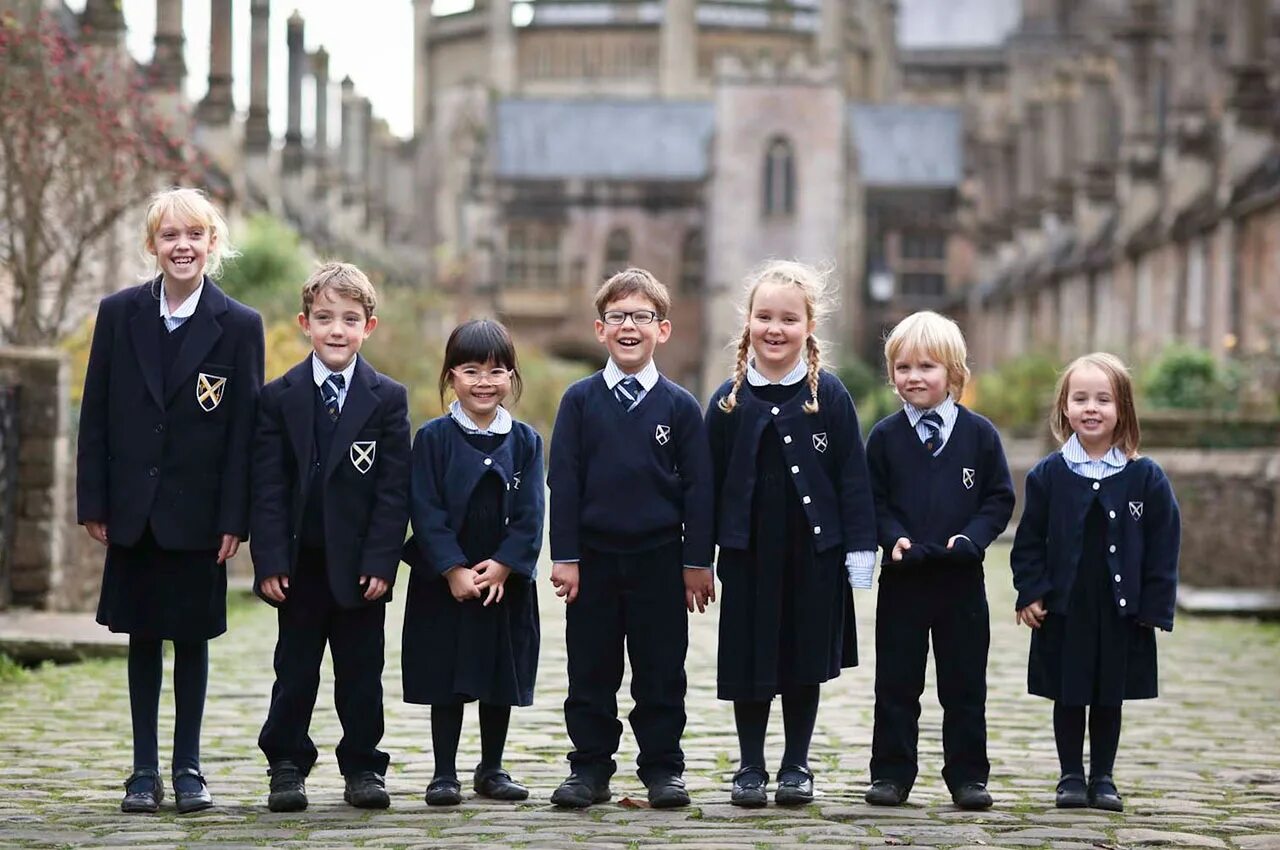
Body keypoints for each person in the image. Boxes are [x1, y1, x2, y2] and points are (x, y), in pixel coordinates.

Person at [77, 187, 265, 813]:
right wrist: (94, 501)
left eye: (194, 235)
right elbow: (96, 414)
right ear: (152, 245)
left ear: (213, 244)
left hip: (200, 515)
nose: (182, 246)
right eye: (169, 235)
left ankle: (188, 769)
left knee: (191, 640)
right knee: (142, 638)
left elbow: (244, 432)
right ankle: (142, 771)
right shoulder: (118, 313)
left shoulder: (240, 326)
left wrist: (235, 516)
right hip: (135, 509)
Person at [705, 260, 876, 807]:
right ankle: (750, 766)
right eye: (764, 317)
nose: (774, 329)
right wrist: (697, 558)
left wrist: (859, 549)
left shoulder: (830, 396)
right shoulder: (728, 402)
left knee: (804, 659)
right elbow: (704, 487)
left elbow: (852, 477)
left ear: (809, 326)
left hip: (814, 554)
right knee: (749, 658)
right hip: (748, 554)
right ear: (748, 322)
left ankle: (796, 764)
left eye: (788, 319)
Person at [547, 268, 715, 809]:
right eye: (617, 316)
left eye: (642, 316)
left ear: (661, 329)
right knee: (590, 669)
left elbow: (699, 490)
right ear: (600, 329)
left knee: (661, 670)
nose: (629, 326)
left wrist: (697, 561)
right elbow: (563, 481)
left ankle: (663, 768)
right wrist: (565, 556)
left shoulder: (680, 407)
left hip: (659, 559)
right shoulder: (579, 401)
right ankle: (589, 768)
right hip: (593, 559)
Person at [251, 262, 410, 812]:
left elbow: (393, 490)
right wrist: (270, 559)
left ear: (369, 327)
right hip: (299, 565)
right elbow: (268, 487)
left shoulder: (387, 398)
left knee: (361, 673)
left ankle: (363, 765)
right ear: (305, 323)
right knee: (294, 672)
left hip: (361, 569)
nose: (336, 330)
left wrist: (382, 562)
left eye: (349, 319)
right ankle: (286, 763)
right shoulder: (279, 397)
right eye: (324, 318)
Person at [1011, 352, 1180, 813]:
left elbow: (1164, 543)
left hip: (1120, 609)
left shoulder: (1145, 477)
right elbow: (1028, 541)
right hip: (1066, 608)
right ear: (1064, 408)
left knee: (1109, 695)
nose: (1091, 408)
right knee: (1068, 693)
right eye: (1080, 398)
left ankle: (1103, 776)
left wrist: (1155, 606)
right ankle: (1070, 775)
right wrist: (1031, 592)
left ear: (1122, 409)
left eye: (1103, 399)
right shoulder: (1048, 475)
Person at [862, 311, 1014, 810]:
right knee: (896, 684)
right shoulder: (884, 437)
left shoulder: (980, 435)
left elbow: (998, 498)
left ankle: (968, 776)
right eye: (903, 367)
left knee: (964, 684)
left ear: (954, 372)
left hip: (960, 582)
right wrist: (891, 537)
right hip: (904, 580)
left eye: (926, 366)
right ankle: (891, 773)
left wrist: (972, 538)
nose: (914, 377)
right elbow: (872, 500)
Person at [400, 318, 544, 806]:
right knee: (447, 674)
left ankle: (492, 767)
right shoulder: (433, 438)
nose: (484, 382)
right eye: (471, 371)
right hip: (446, 582)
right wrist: (452, 568)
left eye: (497, 371)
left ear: (512, 377)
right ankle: (444, 772)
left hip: (504, 583)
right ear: (451, 376)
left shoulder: (526, 442)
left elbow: (531, 514)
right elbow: (425, 508)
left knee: (498, 674)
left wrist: (505, 564)